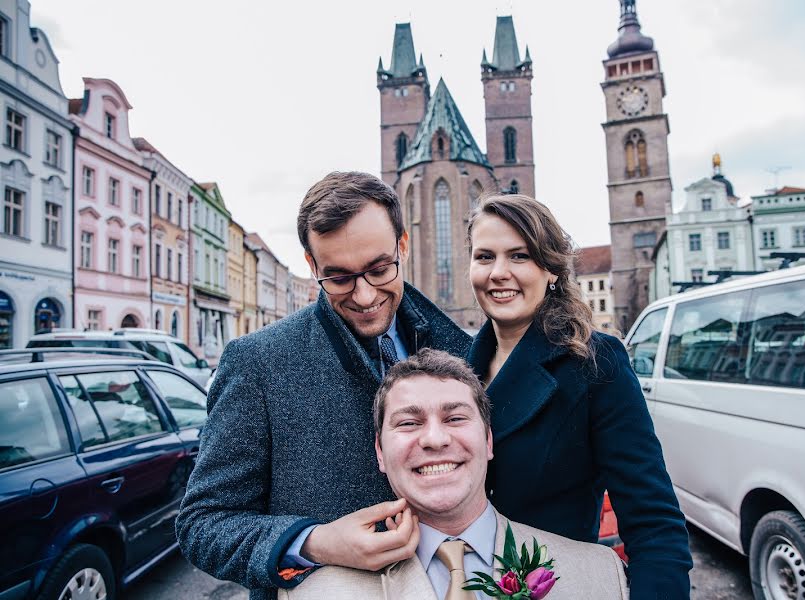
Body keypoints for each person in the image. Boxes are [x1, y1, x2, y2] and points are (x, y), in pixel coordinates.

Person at [176, 172, 471, 600]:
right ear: (312, 266)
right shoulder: (258, 362)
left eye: (378, 269)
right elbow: (202, 525)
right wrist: (314, 542)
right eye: (339, 278)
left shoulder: (465, 349)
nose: (365, 295)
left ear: (402, 246)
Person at [466, 194, 692, 598]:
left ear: (551, 269)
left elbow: (653, 520)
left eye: (519, 256)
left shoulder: (594, 363)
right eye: (485, 257)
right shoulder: (458, 369)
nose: (499, 272)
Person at [282, 349, 628, 600]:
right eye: (408, 423)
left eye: (455, 418)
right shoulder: (314, 593)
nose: (434, 439)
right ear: (380, 453)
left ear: (489, 440)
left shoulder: (601, 576)